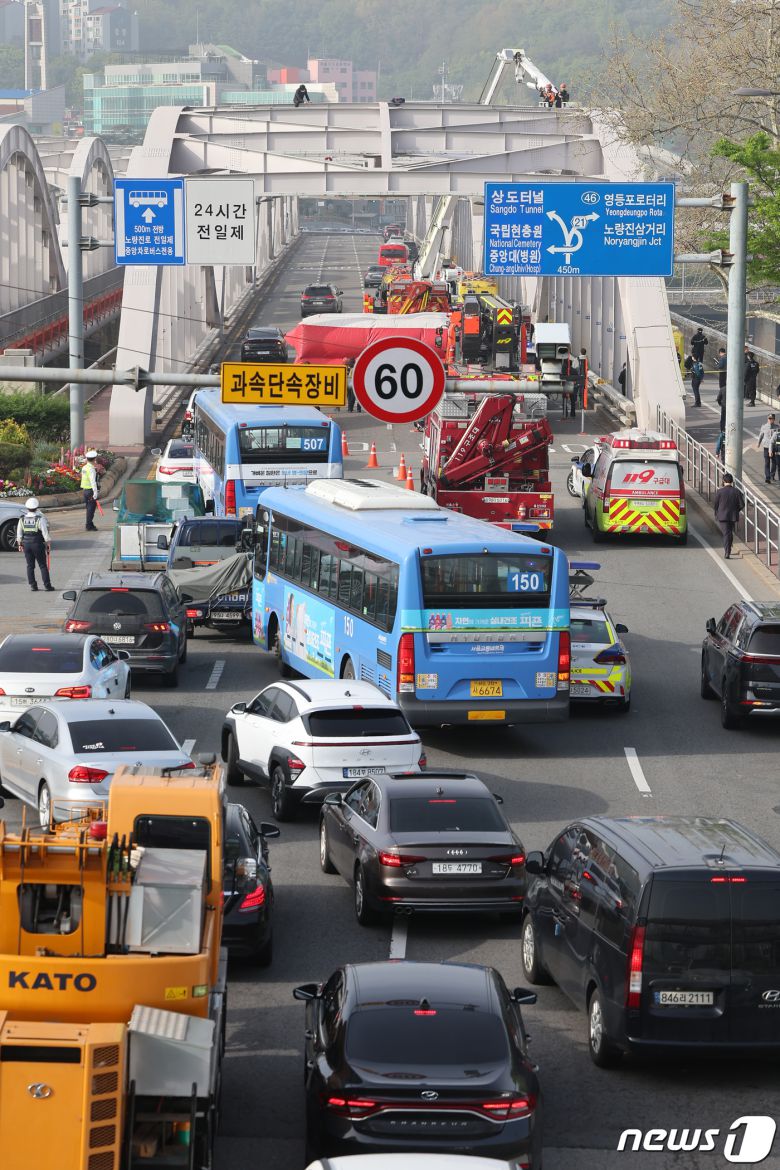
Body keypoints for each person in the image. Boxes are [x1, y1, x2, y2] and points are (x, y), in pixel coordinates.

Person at [16, 497, 53, 591]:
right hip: (37, 543)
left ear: (27, 508)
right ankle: (47, 585)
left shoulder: (22, 519)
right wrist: (48, 543)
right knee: (42, 565)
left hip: (26, 544)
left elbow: (19, 533)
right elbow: (45, 533)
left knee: (30, 565)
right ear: (36, 507)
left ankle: (33, 585)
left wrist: (20, 544)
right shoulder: (39, 519)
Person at [713, 472, 744, 559]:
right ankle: (728, 549)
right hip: (733, 516)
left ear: (723, 481)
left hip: (722, 516)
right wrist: (736, 510)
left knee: (726, 533)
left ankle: (727, 551)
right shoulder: (737, 491)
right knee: (729, 533)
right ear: (732, 481)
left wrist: (717, 513)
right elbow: (742, 505)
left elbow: (715, 504)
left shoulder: (719, 492)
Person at [81, 448, 100, 531]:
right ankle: (89, 525)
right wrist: (95, 493)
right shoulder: (91, 469)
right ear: (95, 459)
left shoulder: (84, 467)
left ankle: (90, 523)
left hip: (85, 490)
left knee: (89, 508)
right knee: (91, 509)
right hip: (90, 491)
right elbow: (93, 482)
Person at [757, 413, 778, 482]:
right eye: (769, 419)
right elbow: (761, 435)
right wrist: (758, 443)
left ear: (774, 419)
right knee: (767, 462)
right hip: (766, 447)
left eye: (771, 419)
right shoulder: (764, 426)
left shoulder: (777, 427)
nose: (770, 420)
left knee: (775, 462)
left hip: (774, 447)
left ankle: (772, 475)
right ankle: (767, 477)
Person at [716, 347, 727, 430]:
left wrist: (717, 364)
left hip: (722, 373)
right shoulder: (728, 357)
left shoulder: (722, 358)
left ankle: (722, 429)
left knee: (722, 386)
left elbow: (720, 366)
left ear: (720, 352)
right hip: (727, 372)